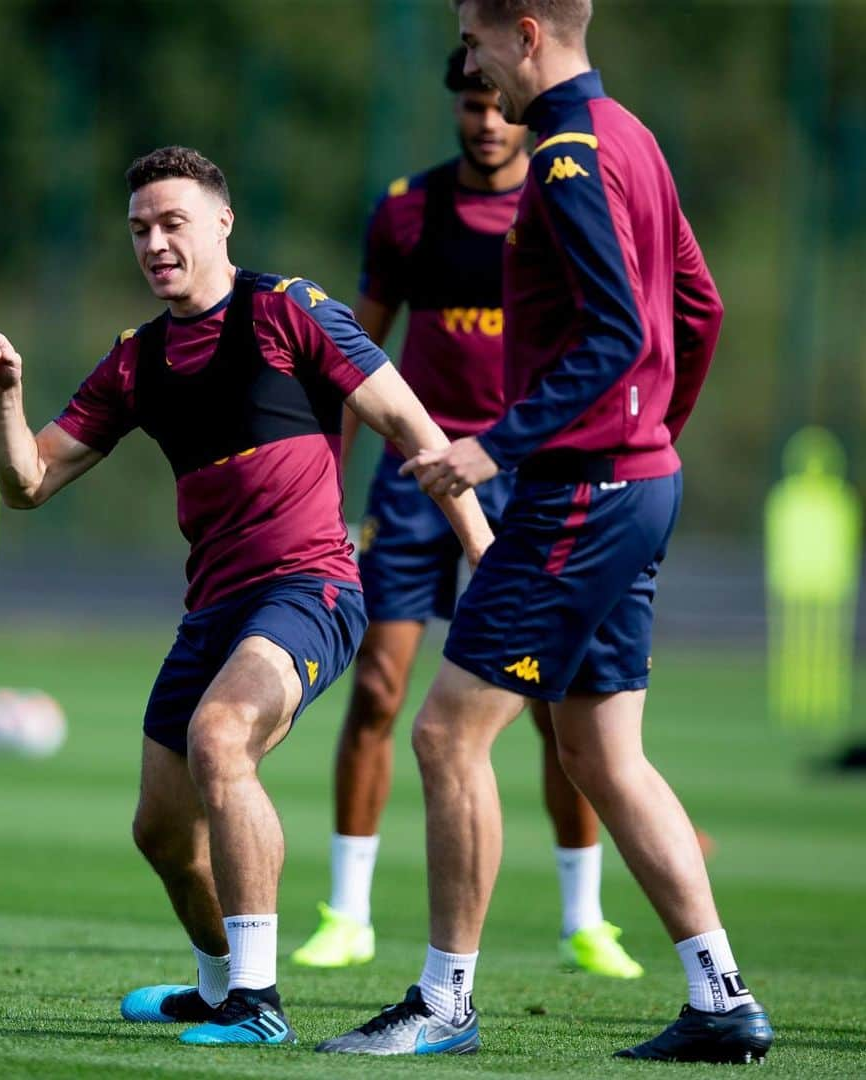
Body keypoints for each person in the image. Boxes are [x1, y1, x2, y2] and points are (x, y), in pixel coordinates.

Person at [318, 0, 774, 1063]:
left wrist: (498, 445)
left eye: (474, 41)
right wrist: (656, 435)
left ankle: (443, 1003)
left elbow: (620, 329)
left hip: (579, 491)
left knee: (444, 733)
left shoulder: (568, 157)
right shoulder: (635, 137)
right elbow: (696, 308)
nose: (466, 64)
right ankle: (720, 996)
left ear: (526, 33)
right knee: (602, 752)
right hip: (633, 479)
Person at [0, 146, 492, 1048]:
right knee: (163, 833)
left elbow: (411, 426)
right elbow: (27, 485)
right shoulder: (138, 360)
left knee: (221, 737)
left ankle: (257, 1001)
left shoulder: (289, 310)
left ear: (221, 222)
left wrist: (484, 553)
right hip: (212, 609)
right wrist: (7, 401)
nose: (155, 243)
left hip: (311, 589)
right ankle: (216, 988)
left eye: (173, 222)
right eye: (139, 229)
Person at [292, 46, 642, 981]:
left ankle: (584, 919)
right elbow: (349, 354)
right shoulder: (407, 210)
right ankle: (349, 914)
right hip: (414, 482)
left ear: (519, 105)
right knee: (376, 690)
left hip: (526, 478)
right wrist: (325, 480)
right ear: (453, 109)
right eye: (469, 105)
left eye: (496, 104)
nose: (486, 120)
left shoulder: (567, 196)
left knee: (549, 703)